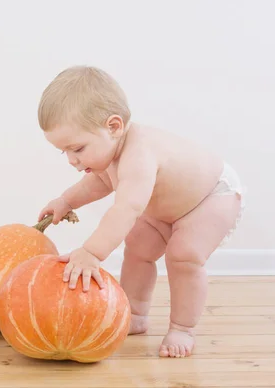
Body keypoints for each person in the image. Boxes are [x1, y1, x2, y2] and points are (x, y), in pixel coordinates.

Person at [37, 65, 245, 358]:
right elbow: (98, 182)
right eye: (65, 152)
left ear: (114, 126)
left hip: (211, 197)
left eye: (78, 149)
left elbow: (127, 208)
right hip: (166, 208)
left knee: (183, 254)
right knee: (137, 246)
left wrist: (92, 252)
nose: (72, 160)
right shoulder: (110, 152)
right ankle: (134, 314)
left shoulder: (140, 154)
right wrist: (66, 200)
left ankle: (182, 327)